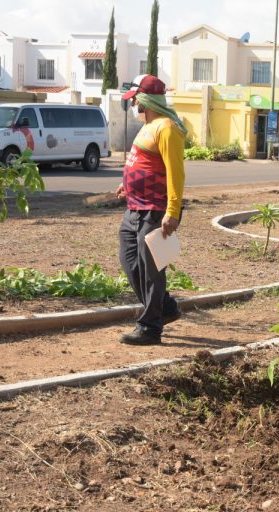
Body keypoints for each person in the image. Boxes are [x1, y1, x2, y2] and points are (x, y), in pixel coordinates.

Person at [115, 74, 187, 345]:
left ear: (145, 99)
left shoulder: (166, 127)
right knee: (129, 261)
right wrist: (127, 186)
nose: (133, 104)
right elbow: (142, 163)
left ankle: (150, 328)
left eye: (135, 100)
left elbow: (175, 173)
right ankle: (165, 308)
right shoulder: (148, 125)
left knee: (151, 268)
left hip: (156, 210)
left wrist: (173, 211)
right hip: (134, 207)